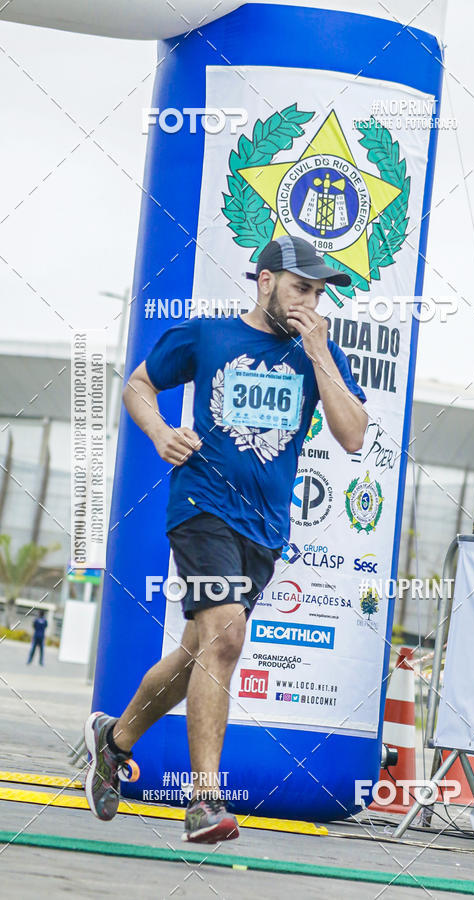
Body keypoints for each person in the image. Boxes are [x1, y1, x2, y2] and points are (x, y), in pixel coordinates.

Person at [84, 235, 368, 843]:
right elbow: (138, 383)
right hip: (201, 508)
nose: (309, 303)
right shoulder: (209, 336)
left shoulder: (318, 353)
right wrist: (160, 432)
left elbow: (353, 436)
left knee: (198, 653)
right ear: (265, 282)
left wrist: (319, 353)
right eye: (300, 288)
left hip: (263, 528)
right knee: (226, 637)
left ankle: (114, 740)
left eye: (318, 294)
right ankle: (204, 803)